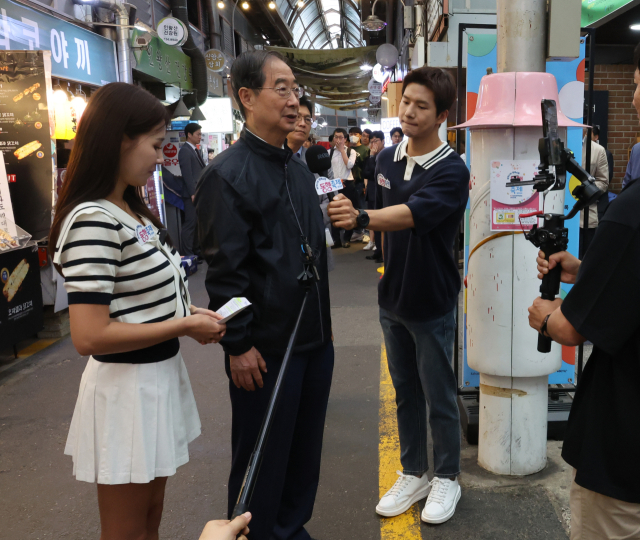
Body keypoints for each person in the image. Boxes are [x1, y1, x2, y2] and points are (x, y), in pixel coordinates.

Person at [48, 83, 226, 540]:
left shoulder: (129, 210)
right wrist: (184, 324)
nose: (161, 156)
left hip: (153, 381)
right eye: (154, 143)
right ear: (120, 140)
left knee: (150, 517)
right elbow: (89, 335)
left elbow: (144, 298)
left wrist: (186, 315)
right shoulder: (93, 219)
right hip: (127, 389)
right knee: (128, 529)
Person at [195, 50, 334, 540]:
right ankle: (251, 533)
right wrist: (238, 344)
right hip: (266, 350)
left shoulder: (295, 167)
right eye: (282, 88)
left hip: (314, 342)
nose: (294, 100)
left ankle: (291, 529)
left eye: (295, 88)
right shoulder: (227, 175)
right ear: (246, 97)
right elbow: (224, 276)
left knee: (302, 455)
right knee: (261, 458)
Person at [328, 66, 469, 525]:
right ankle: (414, 472)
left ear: (442, 115)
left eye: (421, 105)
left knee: (440, 393)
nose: (409, 110)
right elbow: (386, 225)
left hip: (432, 299)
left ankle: (448, 474)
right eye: (406, 101)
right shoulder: (386, 159)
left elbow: (410, 215)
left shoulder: (452, 170)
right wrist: (382, 263)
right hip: (393, 297)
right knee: (405, 392)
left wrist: (364, 219)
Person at [527, 46, 640, 540]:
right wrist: (590, 271)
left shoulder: (632, 211)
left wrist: (546, 315)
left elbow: (572, 328)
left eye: (638, 85)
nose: (634, 98)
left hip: (625, 455)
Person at [287, 96, 335, 272]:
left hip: (316, 244)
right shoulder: (269, 161)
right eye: (297, 117)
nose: (302, 123)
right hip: (282, 251)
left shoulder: (318, 159)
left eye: (307, 119)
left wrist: (307, 218)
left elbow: (331, 201)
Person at [178, 122, 205, 256]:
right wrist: (193, 193)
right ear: (189, 135)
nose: (200, 136)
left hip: (198, 193)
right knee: (190, 224)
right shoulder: (185, 151)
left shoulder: (194, 150)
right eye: (198, 134)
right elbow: (187, 174)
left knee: (197, 224)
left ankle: (197, 252)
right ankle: (188, 254)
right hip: (191, 195)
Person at [580, 133, 609, 256]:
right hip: (559, 212)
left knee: (584, 260)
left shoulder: (597, 150)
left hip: (586, 215)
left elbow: (603, 181)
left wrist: (586, 191)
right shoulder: (557, 146)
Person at [330, 127, 358, 248]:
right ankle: (336, 240)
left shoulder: (350, 151)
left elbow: (349, 165)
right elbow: (328, 171)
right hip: (334, 184)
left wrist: (342, 151)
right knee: (334, 212)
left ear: (345, 139)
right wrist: (335, 181)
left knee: (349, 211)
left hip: (348, 184)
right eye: (336, 137)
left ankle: (347, 239)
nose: (338, 140)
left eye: (341, 137)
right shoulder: (329, 152)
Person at [362, 130, 385, 262]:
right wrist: (371, 156)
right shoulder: (370, 156)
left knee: (383, 222)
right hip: (371, 192)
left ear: (383, 141)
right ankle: (378, 249)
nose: (373, 144)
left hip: (382, 192)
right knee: (374, 222)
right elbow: (366, 173)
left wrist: (372, 157)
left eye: (376, 141)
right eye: (371, 141)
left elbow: (375, 174)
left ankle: (383, 251)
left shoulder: (386, 155)